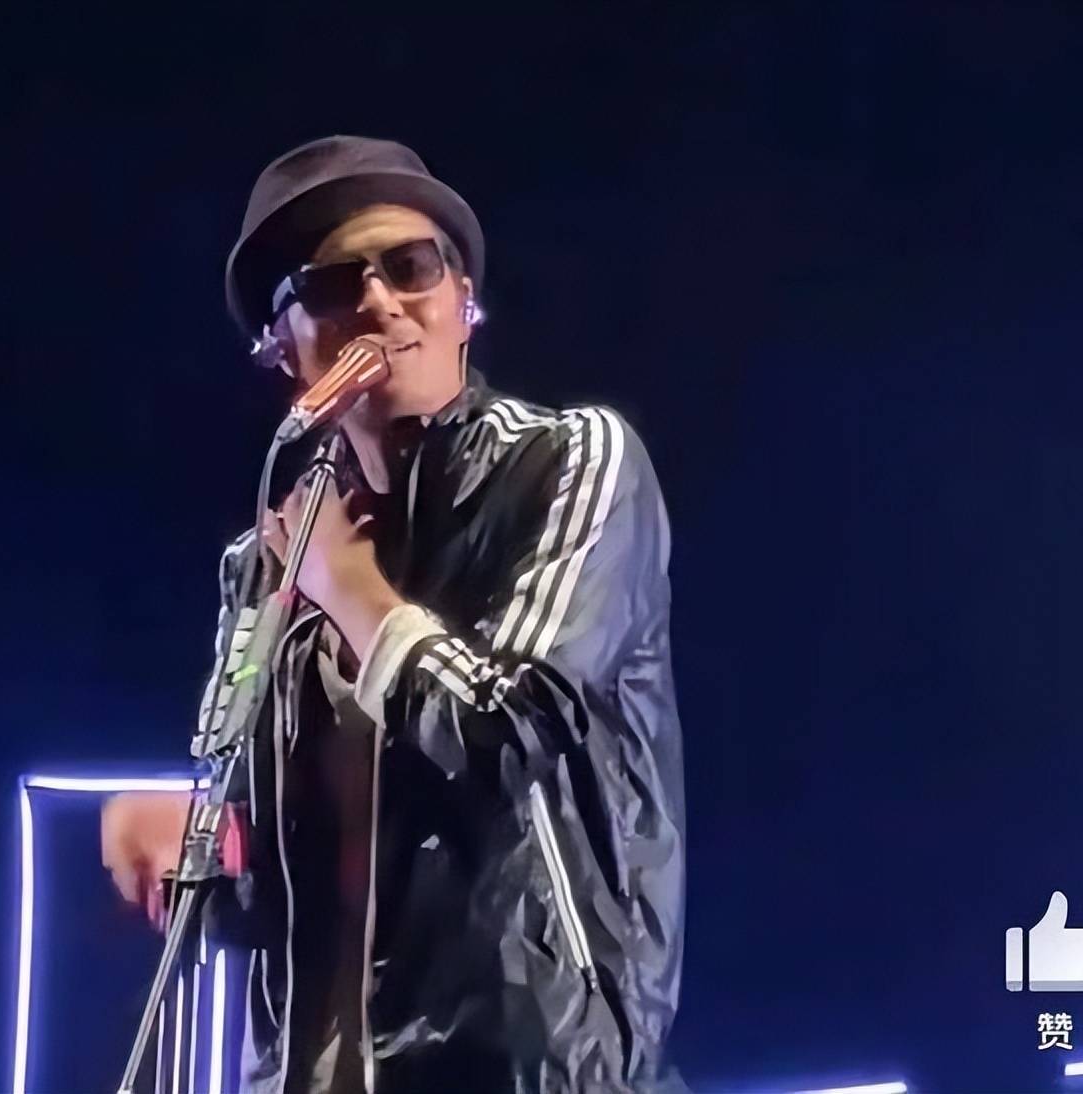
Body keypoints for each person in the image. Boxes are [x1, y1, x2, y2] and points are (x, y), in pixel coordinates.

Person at [102, 135, 687, 1094]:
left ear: (464, 304)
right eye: (332, 286)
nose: (378, 301)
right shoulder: (265, 562)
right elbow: (283, 882)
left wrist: (355, 592)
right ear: (284, 348)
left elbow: (513, 732)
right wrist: (200, 847)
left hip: (525, 1067)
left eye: (411, 267)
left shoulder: (570, 462)